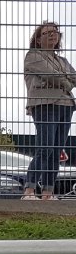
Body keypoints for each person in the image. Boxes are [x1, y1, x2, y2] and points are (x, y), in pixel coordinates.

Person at [23, 21, 76, 201]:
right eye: (47, 33)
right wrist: (67, 82)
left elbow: (73, 76)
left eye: (55, 32)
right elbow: (52, 75)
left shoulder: (62, 61)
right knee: (45, 148)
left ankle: (48, 193)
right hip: (45, 104)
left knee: (56, 150)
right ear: (38, 39)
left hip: (66, 105)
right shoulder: (33, 56)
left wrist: (64, 79)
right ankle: (29, 190)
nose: (53, 35)